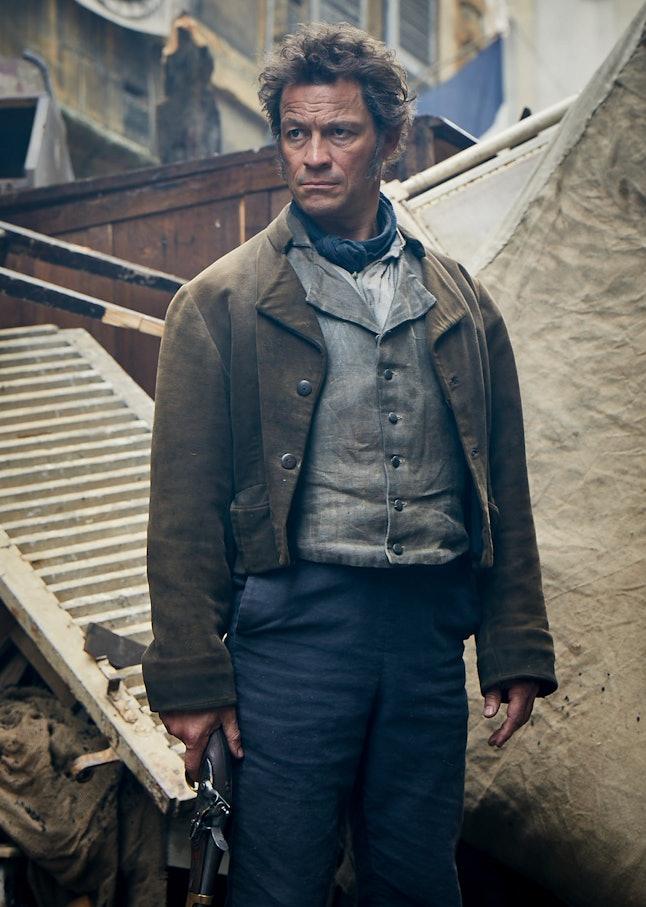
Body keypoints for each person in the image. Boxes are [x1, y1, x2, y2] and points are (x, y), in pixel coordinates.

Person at [143, 22, 557, 907]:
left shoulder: (463, 304)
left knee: (417, 879)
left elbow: (503, 485)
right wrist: (191, 674)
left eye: (340, 132)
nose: (314, 156)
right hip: (293, 637)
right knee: (280, 881)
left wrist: (515, 641)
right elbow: (182, 514)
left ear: (390, 140)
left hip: (426, 639)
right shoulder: (218, 304)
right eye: (296, 133)